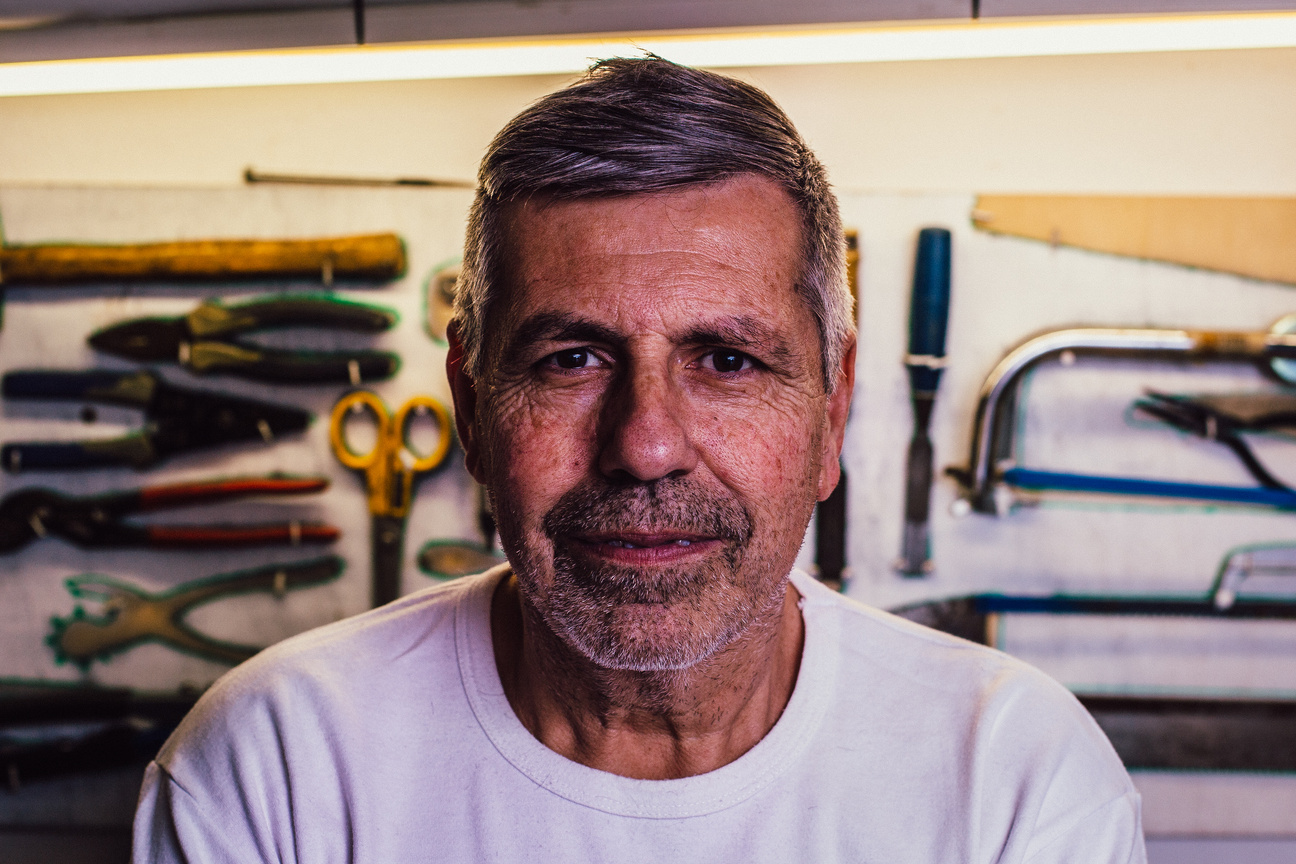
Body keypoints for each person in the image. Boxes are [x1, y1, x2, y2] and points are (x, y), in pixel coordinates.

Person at [133, 56, 1145, 863]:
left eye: (727, 360)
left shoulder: (1015, 781)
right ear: (473, 408)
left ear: (832, 412)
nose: (645, 446)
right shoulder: (273, 770)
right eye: (572, 358)